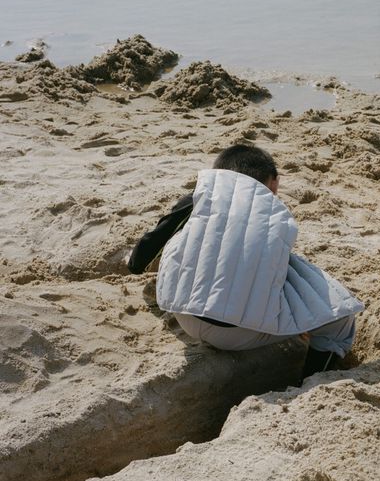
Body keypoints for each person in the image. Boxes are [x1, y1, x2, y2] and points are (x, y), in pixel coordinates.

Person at [128, 144, 363, 379]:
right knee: (340, 319)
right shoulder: (275, 213)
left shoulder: (199, 198)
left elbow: (138, 262)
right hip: (239, 333)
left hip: (183, 314)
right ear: (274, 183)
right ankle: (312, 382)